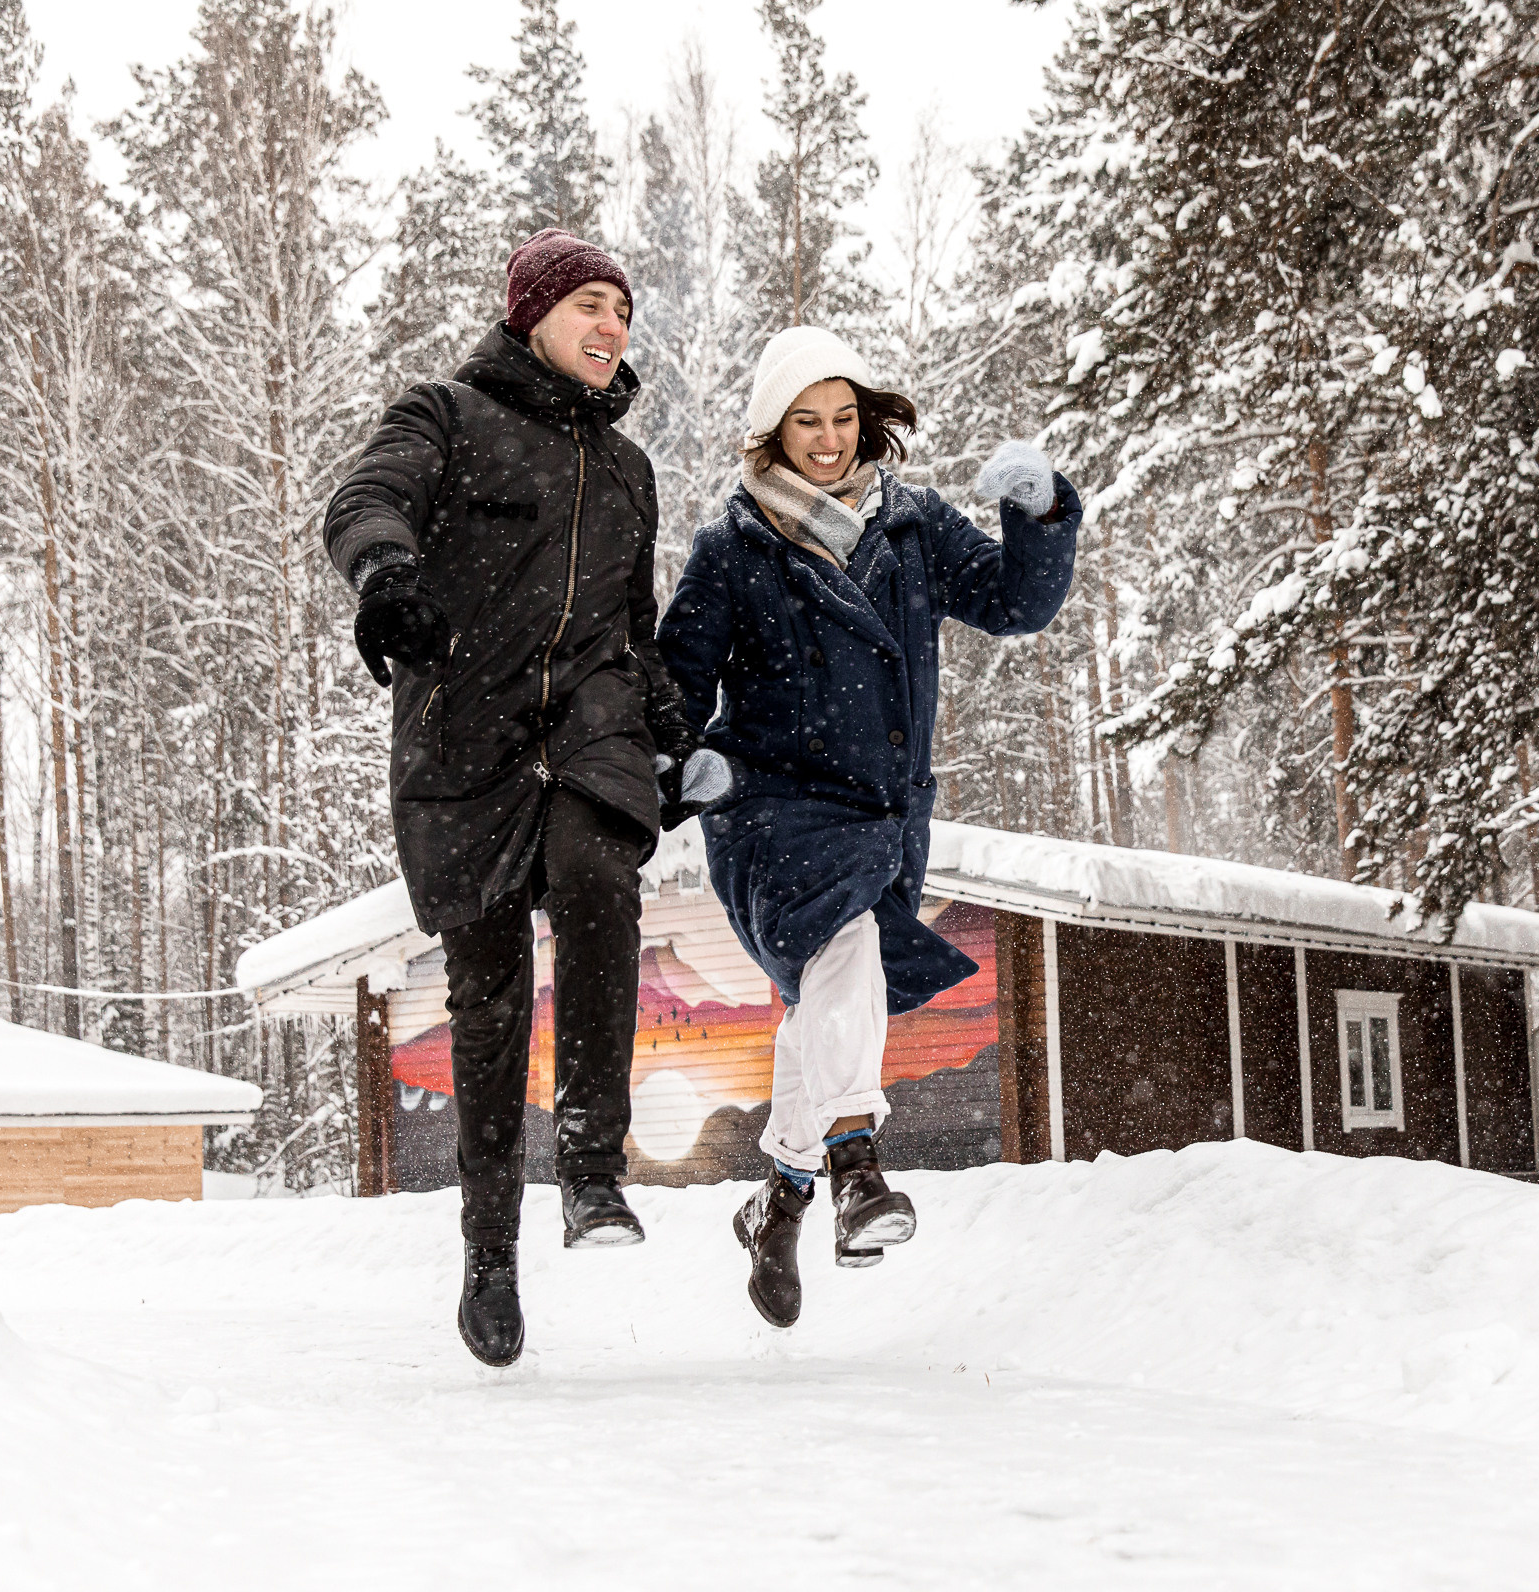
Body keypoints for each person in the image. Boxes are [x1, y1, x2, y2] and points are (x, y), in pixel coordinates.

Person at [323, 229, 729, 1368]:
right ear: (534, 314)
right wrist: (386, 576)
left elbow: (633, 636)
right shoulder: (446, 415)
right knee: (489, 1004)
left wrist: (673, 738)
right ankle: (490, 1250)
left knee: (602, 875)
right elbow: (364, 498)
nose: (614, 329)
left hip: (587, 736)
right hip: (466, 749)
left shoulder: (630, 474)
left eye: (626, 312)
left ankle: (594, 1167)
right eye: (593, 305)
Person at [657, 325, 1081, 1328]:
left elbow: (1013, 604)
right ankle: (856, 1169)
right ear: (769, 429)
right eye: (807, 420)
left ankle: (781, 1197)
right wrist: (682, 771)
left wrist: (1041, 513)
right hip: (772, 812)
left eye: (844, 417)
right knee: (843, 960)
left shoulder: (914, 525)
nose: (830, 438)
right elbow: (673, 683)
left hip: (886, 819)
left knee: (829, 1002)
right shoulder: (733, 548)